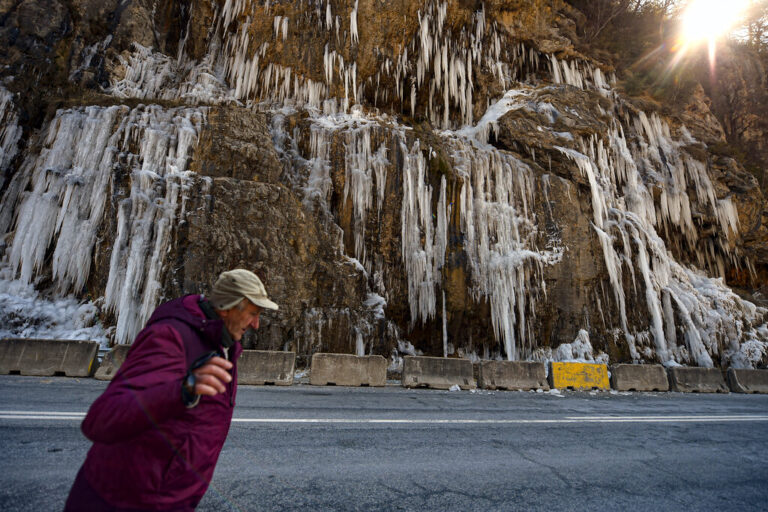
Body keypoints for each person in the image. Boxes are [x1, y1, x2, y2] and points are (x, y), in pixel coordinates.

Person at [64, 269, 278, 511]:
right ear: (227, 307)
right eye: (253, 313)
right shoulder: (170, 338)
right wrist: (183, 389)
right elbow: (101, 419)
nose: (257, 324)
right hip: (118, 501)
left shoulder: (221, 345)